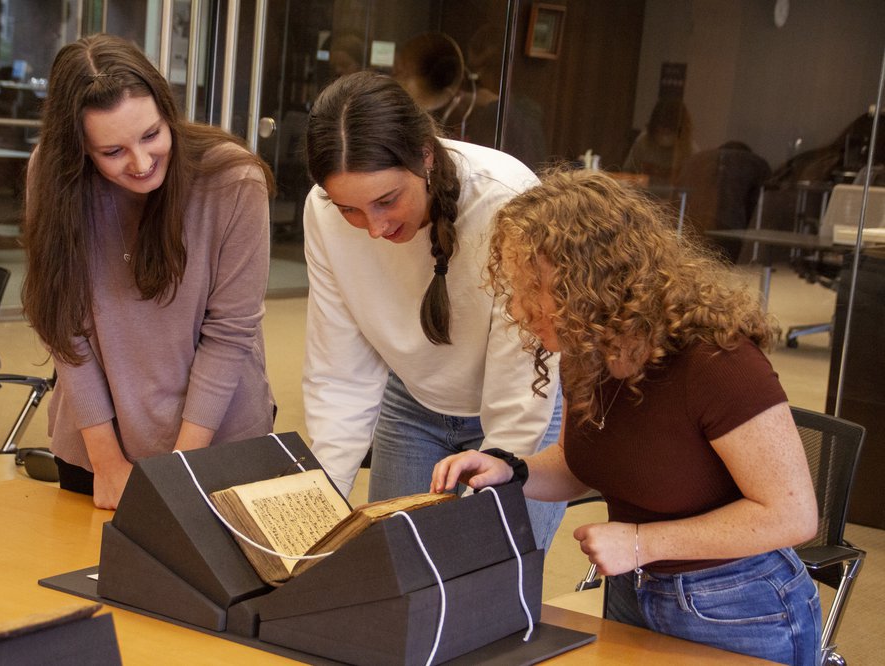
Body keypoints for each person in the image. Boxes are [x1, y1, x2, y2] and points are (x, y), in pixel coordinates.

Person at [431, 168, 821, 665]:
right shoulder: (587, 350)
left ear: (596, 282)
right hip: (635, 586)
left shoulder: (718, 363)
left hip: (738, 605)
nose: (520, 308)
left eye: (536, 287)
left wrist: (641, 542)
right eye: (516, 286)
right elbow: (579, 465)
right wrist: (513, 471)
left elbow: (792, 515)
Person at [302, 70, 566, 549]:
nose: (375, 227)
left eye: (387, 200)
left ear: (425, 155)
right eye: (351, 211)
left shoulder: (507, 198)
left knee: (486, 582)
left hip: (521, 400)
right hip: (413, 402)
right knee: (397, 576)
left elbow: (522, 371)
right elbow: (339, 373)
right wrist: (323, 502)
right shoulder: (321, 210)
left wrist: (503, 461)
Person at [22, 34, 275, 510]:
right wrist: (107, 462)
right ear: (78, 149)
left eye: (152, 135)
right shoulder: (52, 178)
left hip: (218, 448)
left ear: (167, 111)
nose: (141, 163)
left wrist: (178, 473)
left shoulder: (234, 180)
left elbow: (229, 333)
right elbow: (63, 325)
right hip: (96, 451)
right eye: (112, 152)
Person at [623, 98, 696, 186]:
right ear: (654, 126)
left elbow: (693, 186)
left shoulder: (689, 150)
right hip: (642, 196)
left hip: (673, 199)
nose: (665, 132)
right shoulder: (643, 142)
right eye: (661, 128)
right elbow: (627, 173)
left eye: (670, 129)